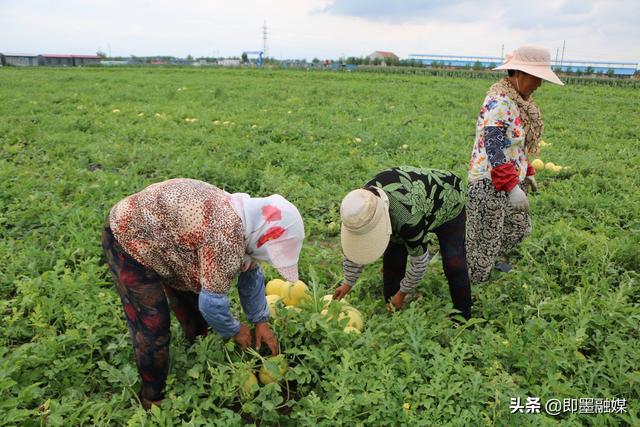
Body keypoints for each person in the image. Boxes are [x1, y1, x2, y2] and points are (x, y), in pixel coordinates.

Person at [102, 178, 304, 409]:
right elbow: (212, 304)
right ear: (265, 236)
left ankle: (198, 344)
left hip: (169, 239)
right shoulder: (226, 235)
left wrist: (261, 321)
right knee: (153, 325)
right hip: (128, 234)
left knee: (191, 296)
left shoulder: (249, 221)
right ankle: (152, 398)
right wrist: (235, 330)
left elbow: (251, 276)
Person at [466, 45, 564, 283]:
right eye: (537, 78)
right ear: (519, 73)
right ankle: (473, 288)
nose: (540, 84)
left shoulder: (517, 102)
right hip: (489, 183)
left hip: (508, 179)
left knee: (518, 228)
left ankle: (488, 263)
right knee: (484, 241)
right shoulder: (498, 102)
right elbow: (494, 146)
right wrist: (511, 186)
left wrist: (527, 170)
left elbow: (515, 145)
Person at [332, 166, 472, 320]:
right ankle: (391, 311)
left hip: (449, 200)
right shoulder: (361, 203)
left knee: (454, 264)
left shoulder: (408, 220)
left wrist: (402, 293)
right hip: (414, 201)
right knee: (393, 259)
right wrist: (348, 282)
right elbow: (356, 244)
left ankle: (463, 317)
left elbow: (419, 264)